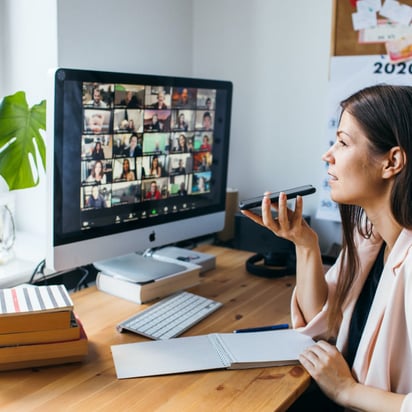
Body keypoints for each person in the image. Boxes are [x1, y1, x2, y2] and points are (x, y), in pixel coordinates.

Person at [242, 84, 412, 412]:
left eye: (343, 142)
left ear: (391, 162)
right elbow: (323, 323)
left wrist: (347, 390)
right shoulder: (370, 236)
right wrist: (305, 244)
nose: (328, 154)